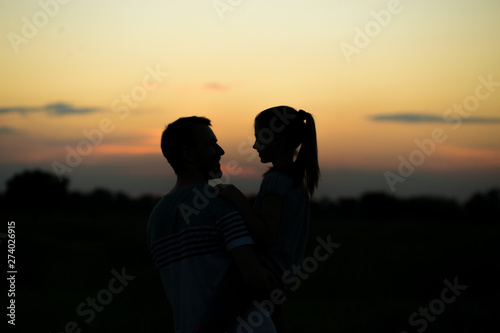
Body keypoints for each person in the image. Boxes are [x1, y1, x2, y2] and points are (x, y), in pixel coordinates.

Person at [147, 116, 278, 333]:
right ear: (188, 153)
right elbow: (255, 278)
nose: (220, 151)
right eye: (210, 145)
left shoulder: (155, 218)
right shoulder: (219, 203)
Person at [215, 106, 320, 332]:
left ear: (278, 139)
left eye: (259, 137)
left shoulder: (275, 182)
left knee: (216, 324)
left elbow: (266, 235)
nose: (254, 145)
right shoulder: (296, 183)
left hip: (259, 277)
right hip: (282, 279)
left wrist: (237, 198)